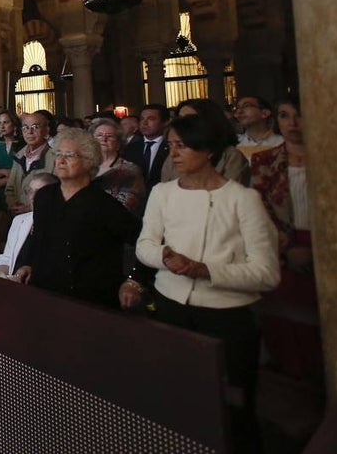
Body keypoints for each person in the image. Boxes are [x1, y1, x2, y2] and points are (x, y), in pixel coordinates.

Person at [136, 114, 280, 453]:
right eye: (171, 146)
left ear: (209, 150)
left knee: (232, 407)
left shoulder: (242, 200)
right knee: (174, 399)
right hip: (171, 306)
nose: (174, 153)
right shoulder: (162, 193)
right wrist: (165, 257)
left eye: (183, 146)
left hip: (225, 316)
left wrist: (207, 271)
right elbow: (145, 245)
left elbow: (267, 272)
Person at [13, 128, 141, 309]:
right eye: (58, 154)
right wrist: (28, 263)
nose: (61, 161)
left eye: (69, 155)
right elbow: (38, 237)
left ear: (89, 161)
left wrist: (133, 281)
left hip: (88, 298)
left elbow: (142, 240)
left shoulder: (102, 204)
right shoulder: (44, 196)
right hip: (45, 291)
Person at [250, 96, 321, 380]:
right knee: (287, 321)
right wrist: (287, 248)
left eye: (298, 115)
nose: (292, 123)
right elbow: (261, 209)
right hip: (284, 245)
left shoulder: (335, 158)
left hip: (326, 242)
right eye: (284, 115)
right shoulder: (265, 160)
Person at [161, 98, 250, 186]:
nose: (183, 124)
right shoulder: (173, 154)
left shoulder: (231, 155)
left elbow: (231, 194)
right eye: (180, 119)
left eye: (190, 119)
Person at [0, 172, 59, 277]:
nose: (33, 197)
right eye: (30, 191)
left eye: (40, 192)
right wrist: (0, 275)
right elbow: (7, 258)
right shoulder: (19, 220)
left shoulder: (59, 225)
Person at [90, 118, 146, 214]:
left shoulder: (130, 170)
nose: (104, 139)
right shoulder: (85, 165)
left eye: (110, 136)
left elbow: (128, 204)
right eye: (99, 135)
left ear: (118, 143)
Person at [3, 112, 54, 212]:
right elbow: (10, 188)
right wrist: (12, 203)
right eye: (25, 127)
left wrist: (30, 208)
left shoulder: (54, 157)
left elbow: (57, 193)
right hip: (18, 217)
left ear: (46, 130)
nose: (30, 132)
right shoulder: (19, 155)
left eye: (35, 127)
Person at [121, 104, 171, 191]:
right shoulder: (130, 148)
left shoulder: (171, 147)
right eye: (142, 119)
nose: (144, 123)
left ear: (165, 122)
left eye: (151, 119)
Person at [235, 96, 284, 161]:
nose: (239, 112)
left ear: (265, 113)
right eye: (237, 108)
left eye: (246, 106)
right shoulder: (236, 145)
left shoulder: (281, 143)